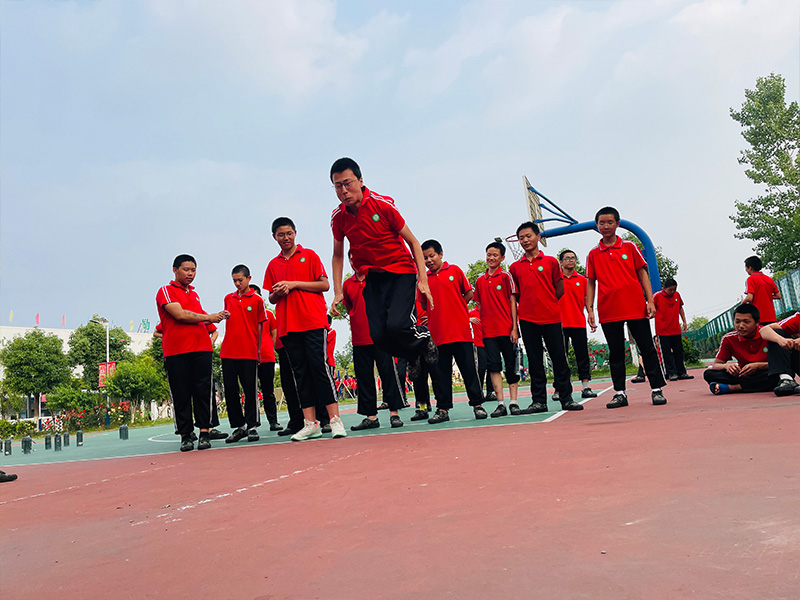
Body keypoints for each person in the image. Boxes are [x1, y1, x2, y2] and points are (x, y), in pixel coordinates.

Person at [329, 157, 437, 379]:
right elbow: (338, 255)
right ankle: (412, 354)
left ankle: (424, 337)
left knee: (397, 326)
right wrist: (338, 291)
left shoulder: (382, 205)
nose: (344, 191)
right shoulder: (339, 217)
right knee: (379, 337)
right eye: (338, 186)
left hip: (400, 272)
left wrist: (423, 280)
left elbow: (413, 242)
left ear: (360, 181)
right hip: (373, 278)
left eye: (347, 183)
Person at [263, 217, 346, 441]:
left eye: (289, 233)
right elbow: (271, 298)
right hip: (288, 326)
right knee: (300, 375)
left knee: (320, 369)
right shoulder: (273, 265)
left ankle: (335, 420)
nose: (286, 238)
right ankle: (310, 424)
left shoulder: (309, 256)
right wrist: (278, 292)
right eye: (281, 234)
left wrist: (294, 284)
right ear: (274, 237)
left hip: (313, 322)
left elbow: (324, 284)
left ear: (295, 233)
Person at [586, 207, 667, 408]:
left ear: (617, 224)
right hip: (608, 309)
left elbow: (642, 273)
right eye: (602, 223)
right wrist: (590, 309)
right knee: (615, 352)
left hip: (635, 306)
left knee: (647, 348)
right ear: (597, 226)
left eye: (609, 222)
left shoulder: (630, 247)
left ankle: (657, 389)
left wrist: (650, 300)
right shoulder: (593, 254)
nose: (606, 226)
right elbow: (591, 282)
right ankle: (620, 393)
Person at [156, 254, 229, 451]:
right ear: (175, 270)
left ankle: (204, 432)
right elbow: (180, 315)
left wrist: (215, 318)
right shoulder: (166, 291)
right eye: (186, 269)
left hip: (201, 349)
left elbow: (201, 320)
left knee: (203, 392)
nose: (190, 273)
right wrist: (209, 317)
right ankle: (186, 435)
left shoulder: (194, 295)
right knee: (181, 393)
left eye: (193, 270)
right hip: (177, 351)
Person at [510, 223, 583, 413]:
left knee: (559, 359)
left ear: (538, 237)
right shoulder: (515, 267)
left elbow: (559, 289)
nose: (525, 240)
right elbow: (517, 295)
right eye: (521, 238)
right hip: (527, 320)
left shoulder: (551, 262)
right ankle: (539, 402)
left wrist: (547, 302)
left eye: (528, 236)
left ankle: (566, 398)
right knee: (535, 362)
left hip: (551, 317)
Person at [419, 239, 487, 423]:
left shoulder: (455, 271)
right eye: (425, 258)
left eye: (432, 256)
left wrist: (456, 307)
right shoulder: (423, 280)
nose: (429, 260)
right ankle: (443, 409)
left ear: (441, 254)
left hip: (460, 332)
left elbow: (469, 293)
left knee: (469, 370)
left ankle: (477, 405)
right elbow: (424, 304)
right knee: (440, 375)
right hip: (438, 335)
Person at [342, 256, 406, 430]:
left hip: (381, 336)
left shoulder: (378, 278)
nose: (355, 262)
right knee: (364, 378)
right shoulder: (347, 284)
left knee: (388, 374)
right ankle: (371, 417)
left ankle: (394, 414)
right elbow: (349, 307)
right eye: (352, 259)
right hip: (359, 338)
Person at [154, 322, 229, 440]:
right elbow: (156, 332)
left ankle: (208, 429)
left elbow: (214, 330)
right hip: (179, 355)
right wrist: (169, 335)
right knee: (183, 394)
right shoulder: (172, 317)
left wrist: (211, 341)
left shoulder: (201, 315)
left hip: (199, 353)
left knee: (204, 393)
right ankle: (188, 432)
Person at [473, 242, 523, 417]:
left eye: (495, 255)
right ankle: (500, 403)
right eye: (489, 254)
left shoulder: (506, 276)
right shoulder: (480, 280)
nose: (491, 258)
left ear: (502, 258)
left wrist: (514, 328)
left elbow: (512, 302)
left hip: (507, 330)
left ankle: (514, 402)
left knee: (511, 367)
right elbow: (479, 304)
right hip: (489, 333)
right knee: (494, 368)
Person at [220, 265, 267, 443]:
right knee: (231, 391)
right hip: (228, 351)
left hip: (248, 351)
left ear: (249, 278)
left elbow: (260, 325)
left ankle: (252, 426)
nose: (237, 284)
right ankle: (239, 427)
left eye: (240, 280)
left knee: (250, 390)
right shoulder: (228, 298)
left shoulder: (257, 300)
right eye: (234, 281)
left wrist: (258, 349)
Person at [703, 304, 776, 394]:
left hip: (764, 371)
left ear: (757, 322)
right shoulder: (728, 339)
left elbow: (782, 364)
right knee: (708, 374)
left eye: (746, 322)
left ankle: (732, 387)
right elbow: (716, 365)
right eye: (737, 322)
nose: (741, 326)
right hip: (743, 374)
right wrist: (727, 366)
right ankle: (752, 385)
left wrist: (758, 366)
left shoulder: (769, 334)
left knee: (776, 375)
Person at [557, 249, 599, 399]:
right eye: (567, 258)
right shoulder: (555, 280)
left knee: (582, 355)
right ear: (561, 262)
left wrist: (591, 314)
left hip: (578, 322)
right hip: (559, 324)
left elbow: (588, 300)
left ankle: (585, 387)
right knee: (560, 357)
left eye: (573, 258)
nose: (570, 260)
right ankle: (560, 388)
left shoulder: (582, 280)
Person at [250, 285, 283, 432]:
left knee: (268, 391)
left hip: (267, 357)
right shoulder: (245, 314)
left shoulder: (269, 315)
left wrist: (274, 351)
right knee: (251, 392)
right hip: (249, 357)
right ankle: (252, 424)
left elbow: (274, 334)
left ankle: (273, 421)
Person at [653, 278, 693, 382]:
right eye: (670, 290)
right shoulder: (657, 296)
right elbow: (651, 308)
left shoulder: (677, 295)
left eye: (674, 289)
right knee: (666, 353)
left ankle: (682, 372)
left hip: (675, 329)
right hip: (663, 330)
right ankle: (671, 373)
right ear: (664, 288)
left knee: (678, 351)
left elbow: (680, 308)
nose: (672, 292)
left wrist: (684, 321)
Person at [760, 311, 800, 396]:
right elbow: (764, 330)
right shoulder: (798, 318)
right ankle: (787, 379)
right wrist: (781, 340)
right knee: (776, 333)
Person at [743, 256, 781, 325]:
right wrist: (766, 296)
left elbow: (749, 297)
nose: (745, 270)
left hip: (759, 317)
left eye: (746, 267)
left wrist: (743, 302)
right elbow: (778, 296)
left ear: (750, 268)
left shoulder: (751, 279)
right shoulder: (769, 279)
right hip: (771, 316)